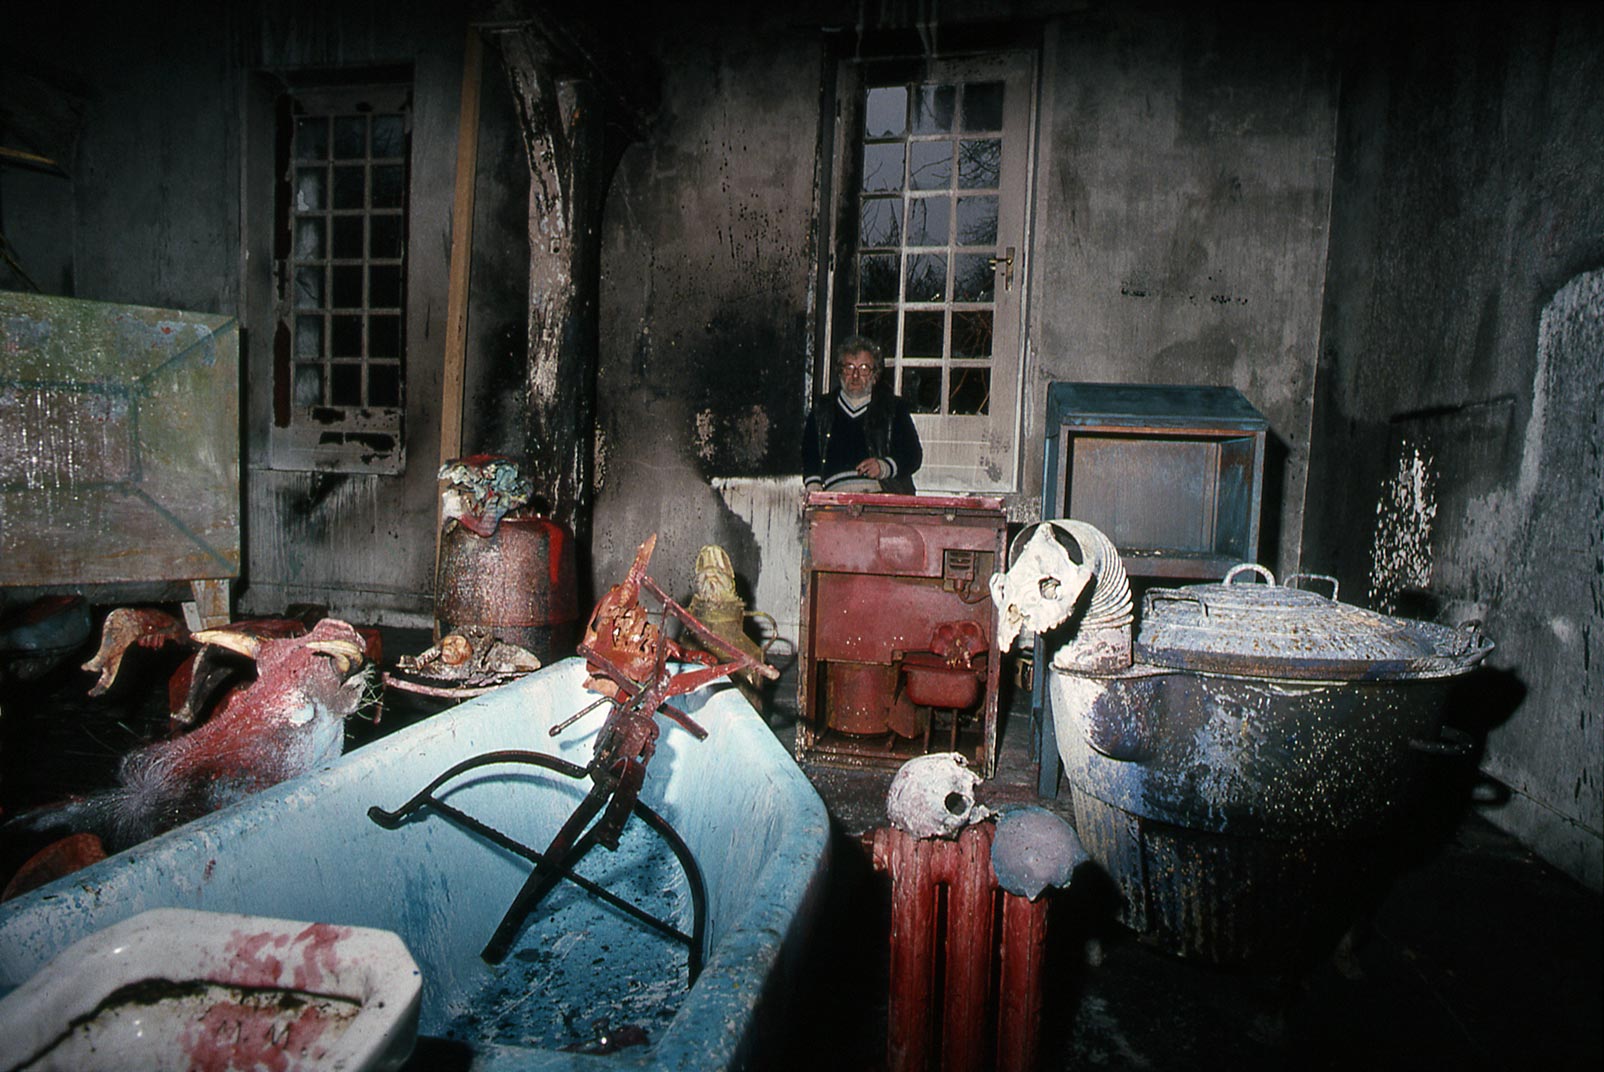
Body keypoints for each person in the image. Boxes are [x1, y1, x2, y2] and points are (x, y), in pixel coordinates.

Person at [803, 336, 922, 495]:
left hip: (881, 499)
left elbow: (912, 455)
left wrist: (884, 467)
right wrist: (815, 490)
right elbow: (809, 455)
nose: (855, 376)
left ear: (875, 375)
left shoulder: (894, 408)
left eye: (864, 368)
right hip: (834, 501)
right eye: (849, 367)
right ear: (840, 372)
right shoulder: (821, 410)